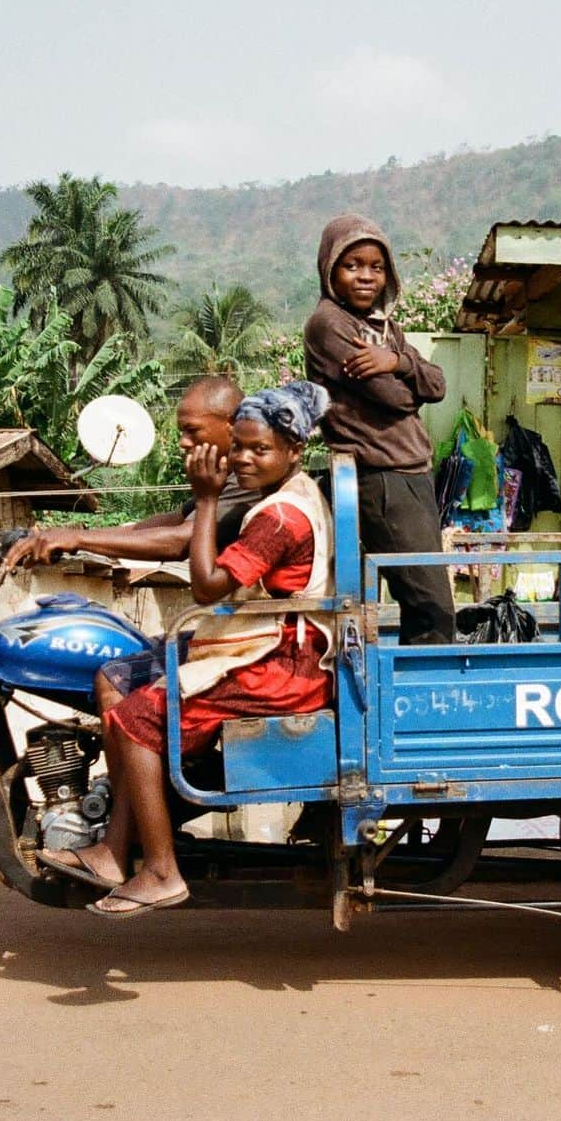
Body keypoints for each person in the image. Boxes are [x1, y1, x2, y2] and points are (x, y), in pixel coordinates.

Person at [38, 380, 335, 917]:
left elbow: (206, 585)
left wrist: (207, 497)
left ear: (294, 452)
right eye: (240, 447)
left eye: (259, 449)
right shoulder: (282, 495)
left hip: (275, 665)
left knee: (136, 719)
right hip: (265, 650)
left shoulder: (279, 516)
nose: (244, 458)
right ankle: (114, 849)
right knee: (123, 695)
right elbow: (172, 528)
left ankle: (160, 871)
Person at [6, 376, 258, 718]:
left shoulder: (247, 482)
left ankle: (131, 771)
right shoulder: (226, 482)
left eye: (192, 430)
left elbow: (178, 541)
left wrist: (78, 539)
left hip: (251, 639)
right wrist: (72, 535)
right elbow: (165, 523)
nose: (183, 442)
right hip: (235, 630)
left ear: (231, 426)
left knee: (115, 678)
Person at [304, 213, 455, 645]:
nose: (366, 276)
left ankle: (411, 696)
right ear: (330, 269)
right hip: (380, 477)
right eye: (352, 266)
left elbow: (438, 385)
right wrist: (409, 379)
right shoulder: (330, 323)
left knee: (423, 599)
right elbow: (397, 399)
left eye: (376, 266)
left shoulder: (385, 328)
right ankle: (424, 703)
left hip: (411, 474)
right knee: (433, 608)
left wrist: (398, 361)